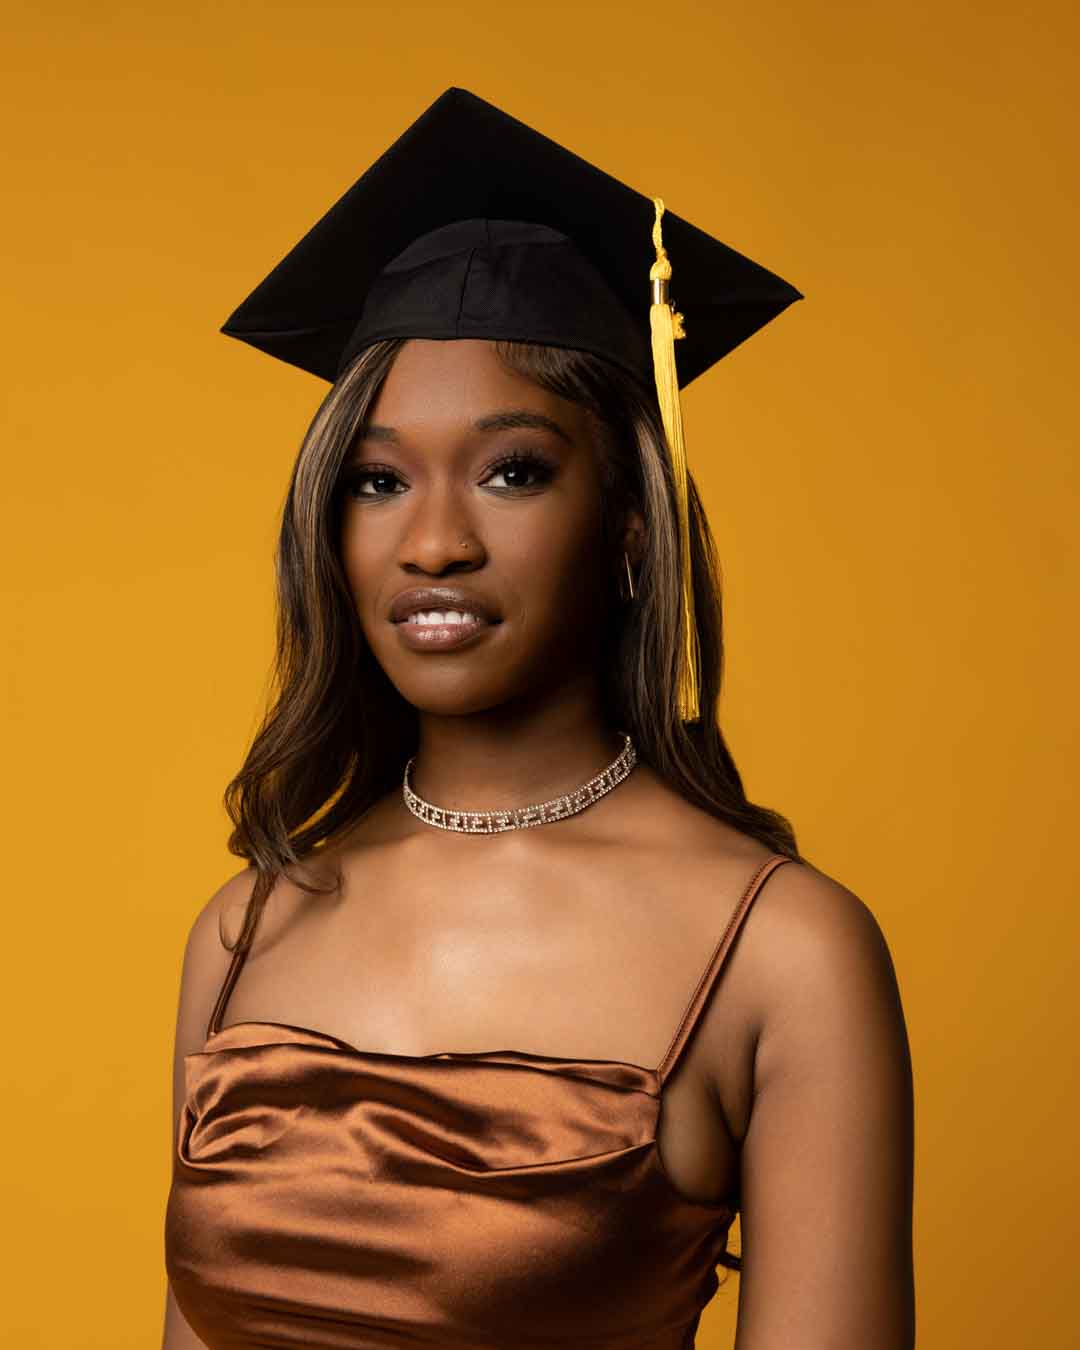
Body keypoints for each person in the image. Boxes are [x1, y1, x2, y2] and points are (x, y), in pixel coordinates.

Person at [163, 88, 915, 1349]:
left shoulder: (786, 954)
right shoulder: (247, 927)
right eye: (377, 480)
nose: (435, 543)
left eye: (514, 471)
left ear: (630, 529)